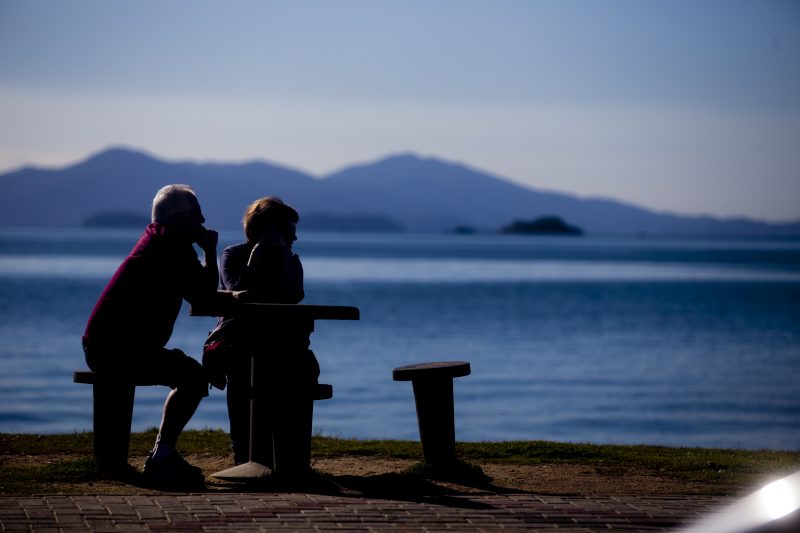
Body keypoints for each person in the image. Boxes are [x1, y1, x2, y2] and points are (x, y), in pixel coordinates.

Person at [82, 184, 219, 485]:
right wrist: (210, 249)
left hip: (107, 345)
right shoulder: (173, 248)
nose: (203, 220)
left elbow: (200, 293)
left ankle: (162, 455)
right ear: (181, 219)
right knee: (194, 378)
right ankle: (162, 457)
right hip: (118, 350)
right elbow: (206, 297)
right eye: (197, 214)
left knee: (187, 372)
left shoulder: (159, 240)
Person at [203, 196, 319, 472]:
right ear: (270, 230)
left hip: (279, 342)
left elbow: (293, 296)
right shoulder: (233, 255)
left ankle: (287, 456)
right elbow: (236, 291)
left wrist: (281, 258)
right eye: (289, 230)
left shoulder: (291, 261)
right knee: (244, 370)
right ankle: (245, 455)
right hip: (238, 341)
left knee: (302, 370)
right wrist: (256, 257)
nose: (295, 237)